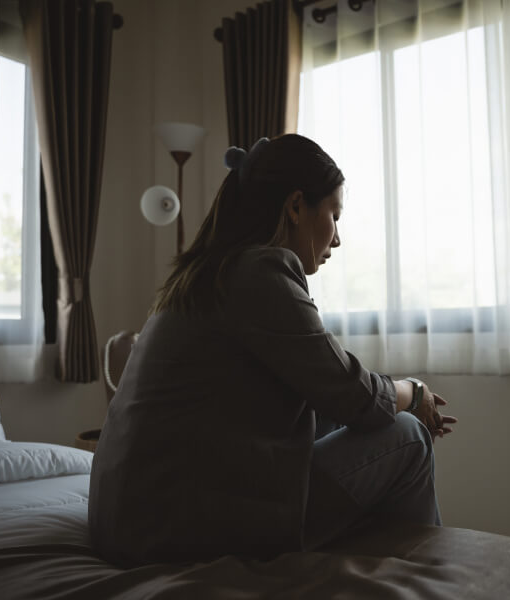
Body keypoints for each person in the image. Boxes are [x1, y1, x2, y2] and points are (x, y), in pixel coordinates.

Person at [88, 134, 457, 567]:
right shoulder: (260, 271)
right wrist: (413, 391)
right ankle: (424, 578)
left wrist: (388, 401)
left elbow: (326, 394)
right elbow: (353, 394)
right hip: (174, 531)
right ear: (296, 206)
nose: (337, 238)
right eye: (334, 216)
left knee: (337, 418)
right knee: (407, 436)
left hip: (128, 520)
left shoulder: (207, 273)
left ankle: (384, 568)